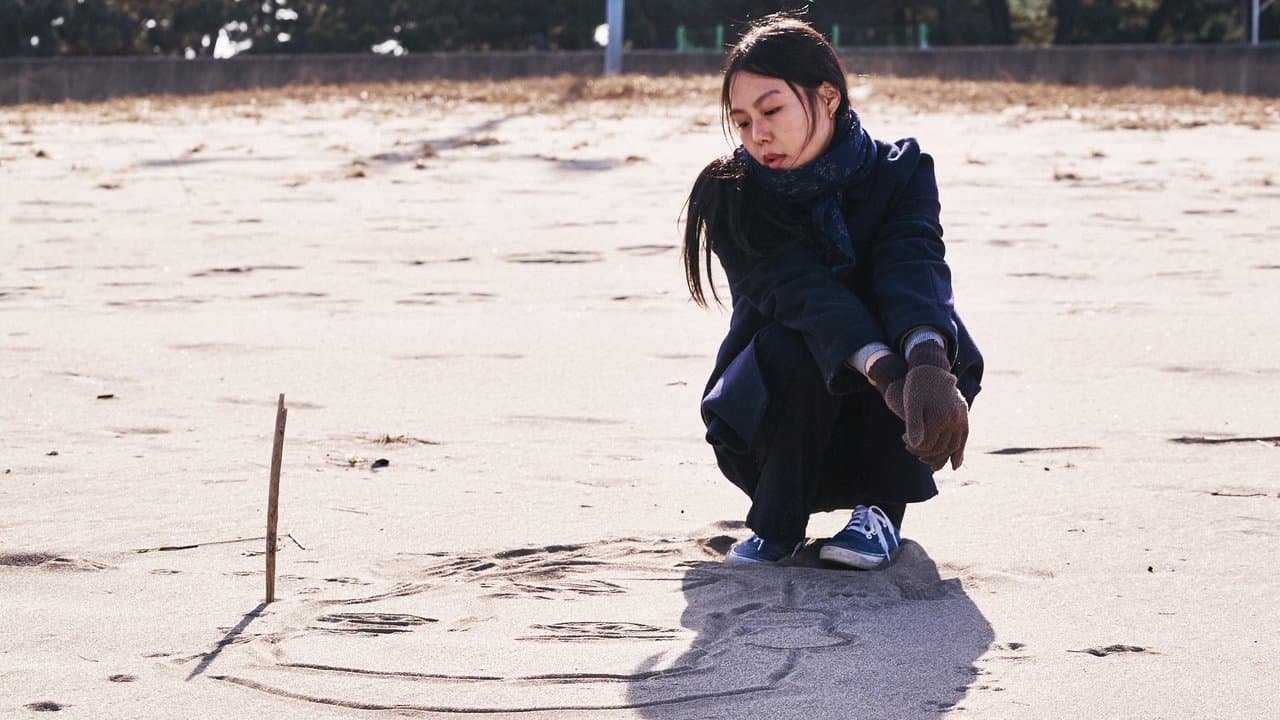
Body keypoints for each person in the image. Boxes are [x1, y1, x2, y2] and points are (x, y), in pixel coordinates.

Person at [682, 14, 983, 570]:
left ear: (827, 97)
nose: (757, 135)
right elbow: (802, 294)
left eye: (771, 111)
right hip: (772, 421)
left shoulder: (902, 172)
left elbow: (913, 261)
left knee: (929, 330)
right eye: (742, 120)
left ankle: (880, 513)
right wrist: (887, 373)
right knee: (799, 339)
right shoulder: (732, 194)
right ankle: (778, 524)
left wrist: (924, 365)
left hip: (890, 429)